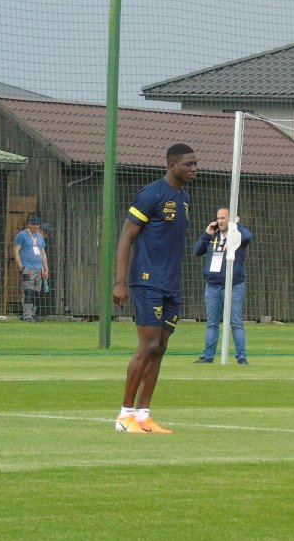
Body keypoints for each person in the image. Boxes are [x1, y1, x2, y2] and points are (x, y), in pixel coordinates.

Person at [112, 143, 198, 434]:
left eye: (195, 163)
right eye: (188, 164)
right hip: (147, 280)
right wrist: (120, 281)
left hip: (171, 284)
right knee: (147, 346)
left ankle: (143, 415)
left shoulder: (184, 198)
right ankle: (124, 415)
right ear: (172, 165)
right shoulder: (152, 194)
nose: (194, 168)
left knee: (160, 348)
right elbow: (126, 236)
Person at [193, 207, 254, 364]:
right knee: (212, 323)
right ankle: (208, 356)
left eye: (223, 218)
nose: (219, 221)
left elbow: (248, 237)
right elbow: (197, 251)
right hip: (213, 286)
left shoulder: (238, 235)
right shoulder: (213, 236)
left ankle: (241, 357)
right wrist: (207, 234)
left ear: (231, 219)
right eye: (218, 218)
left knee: (236, 323)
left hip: (234, 286)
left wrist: (236, 225)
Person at [12, 215, 49, 322]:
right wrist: (20, 266)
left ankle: (33, 314)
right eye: (33, 224)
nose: (35, 226)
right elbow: (16, 251)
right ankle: (27, 315)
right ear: (29, 224)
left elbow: (43, 253)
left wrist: (46, 268)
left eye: (37, 224)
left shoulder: (40, 237)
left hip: (39, 269)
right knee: (28, 292)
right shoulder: (22, 235)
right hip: (27, 268)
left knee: (36, 292)